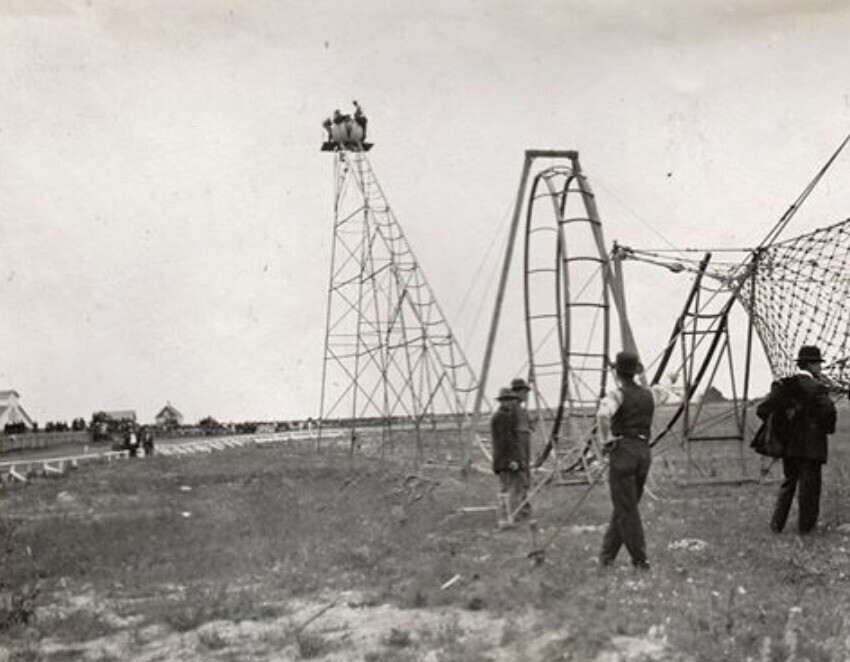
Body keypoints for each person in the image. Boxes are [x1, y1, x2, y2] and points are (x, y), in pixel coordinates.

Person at [596, 351, 670, 571]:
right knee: (625, 506)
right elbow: (663, 391)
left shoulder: (616, 395)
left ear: (617, 373)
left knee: (626, 509)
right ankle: (606, 558)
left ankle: (640, 560)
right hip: (643, 452)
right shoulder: (649, 394)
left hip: (623, 452)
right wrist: (670, 378)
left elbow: (602, 415)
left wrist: (606, 440)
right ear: (636, 371)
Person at [757, 345, 837, 535]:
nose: (820, 368)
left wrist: (782, 427)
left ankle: (776, 525)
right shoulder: (817, 387)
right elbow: (828, 411)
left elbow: (763, 409)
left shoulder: (784, 385)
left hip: (789, 446)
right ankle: (806, 530)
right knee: (809, 488)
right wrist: (822, 428)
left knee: (788, 484)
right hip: (812, 448)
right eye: (818, 364)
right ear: (811, 365)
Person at [490, 387, 528, 527]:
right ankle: (506, 518)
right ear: (503, 402)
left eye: (512, 400)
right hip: (506, 460)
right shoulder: (503, 417)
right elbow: (505, 441)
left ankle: (507, 517)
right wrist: (512, 460)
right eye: (509, 400)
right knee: (509, 490)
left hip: (502, 459)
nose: (512, 403)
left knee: (506, 489)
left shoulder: (500, 416)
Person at [510, 377, 533, 519]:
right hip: (518, 448)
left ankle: (524, 507)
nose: (525, 396)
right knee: (518, 478)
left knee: (525, 477)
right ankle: (516, 510)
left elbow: (528, 428)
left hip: (525, 446)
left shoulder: (522, 410)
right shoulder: (511, 410)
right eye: (524, 392)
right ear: (516, 393)